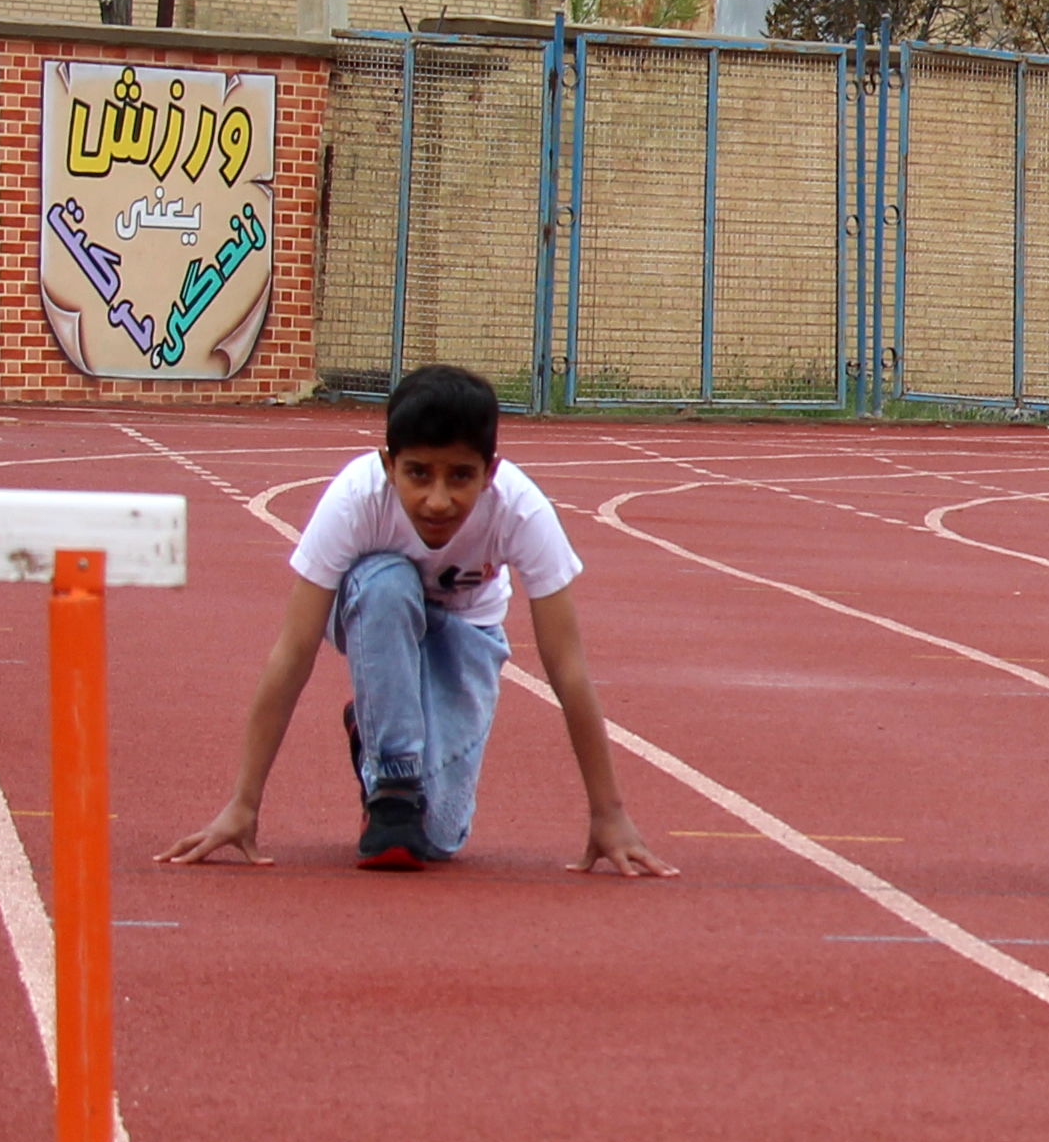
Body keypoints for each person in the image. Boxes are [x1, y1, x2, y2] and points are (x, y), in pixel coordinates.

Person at [160, 362, 670, 878]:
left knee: (439, 838)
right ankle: (394, 785)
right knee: (386, 582)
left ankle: (372, 727)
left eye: (461, 477)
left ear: (490, 473)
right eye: (419, 474)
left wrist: (609, 814)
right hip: (374, 613)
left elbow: (568, 667)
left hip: (467, 631)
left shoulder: (521, 510)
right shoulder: (357, 498)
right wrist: (243, 804)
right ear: (389, 465)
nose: (438, 500)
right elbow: (294, 650)